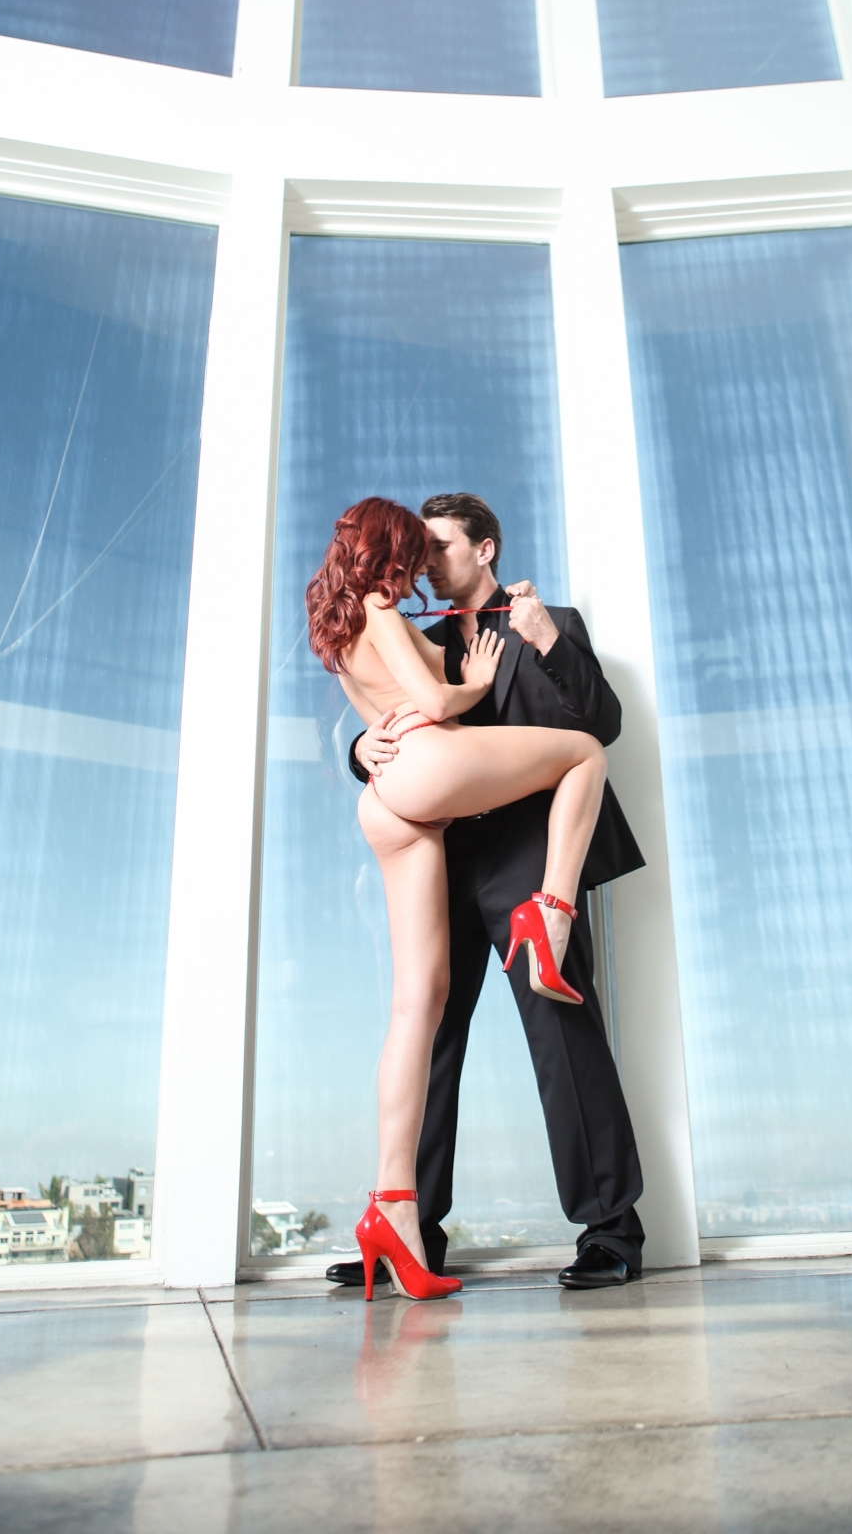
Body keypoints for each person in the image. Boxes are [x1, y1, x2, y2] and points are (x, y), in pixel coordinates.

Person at [326, 492, 646, 1295]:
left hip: (529, 860)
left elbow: (600, 724)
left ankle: (611, 1230)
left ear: (485, 548)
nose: (426, 561)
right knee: (429, 1031)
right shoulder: (420, 637)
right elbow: (392, 722)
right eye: (419, 548)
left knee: (563, 1031)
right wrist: (362, 750)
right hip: (443, 859)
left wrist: (547, 644)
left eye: (440, 546)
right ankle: (413, 1232)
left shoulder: (550, 622)